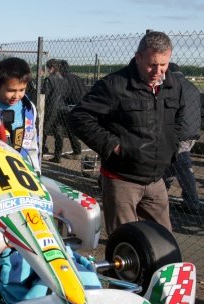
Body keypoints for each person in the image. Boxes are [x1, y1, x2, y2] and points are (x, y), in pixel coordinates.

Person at [68, 31, 184, 235]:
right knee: (126, 241)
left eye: (163, 64)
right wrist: (115, 146)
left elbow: (178, 121)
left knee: (164, 239)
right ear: (138, 57)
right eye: (152, 64)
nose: (158, 70)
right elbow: (79, 117)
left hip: (156, 179)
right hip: (121, 178)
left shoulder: (173, 86)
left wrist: (170, 147)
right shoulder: (115, 85)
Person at [162, 63, 202, 215]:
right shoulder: (191, 86)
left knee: (183, 168)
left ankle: (192, 203)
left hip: (180, 134)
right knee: (169, 166)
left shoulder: (173, 86)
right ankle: (159, 194)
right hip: (192, 131)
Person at [41, 59, 68, 163]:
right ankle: (57, 156)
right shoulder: (64, 80)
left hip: (50, 108)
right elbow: (66, 94)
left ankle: (41, 152)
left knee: (43, 131)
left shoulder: (49, 80)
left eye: (48, 68)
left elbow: (44, 94)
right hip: (61, 108)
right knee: (59, 133)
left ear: (51, 68)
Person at [58, 59, 85, 160]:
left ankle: (77, 152)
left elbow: (65, 93)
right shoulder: (77, 77)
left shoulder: (65, 79)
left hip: (72, 106)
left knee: (71, 129)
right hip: (83, 104)